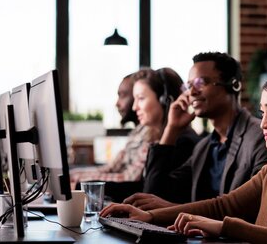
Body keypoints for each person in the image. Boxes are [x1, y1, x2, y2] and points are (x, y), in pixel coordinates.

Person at [101, 70, 267, 244]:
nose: (263, 122)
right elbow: (223, 205)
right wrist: (150, 216)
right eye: (262, 112)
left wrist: (224, 227)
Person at [123, 52, 267, 209]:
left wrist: (177, 211)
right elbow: (153, 194)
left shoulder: (261, 138)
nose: (192, 93)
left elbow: (251, 208)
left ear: (233, 85)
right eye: (190, 85)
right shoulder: (203, 148)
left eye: (200, 83)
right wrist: (171, 130)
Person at [70, 68, 198, 201]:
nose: (134, 107)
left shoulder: (184, 143)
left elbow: (150, 194)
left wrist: (82, 185)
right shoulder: (153, 135)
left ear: (164, 101)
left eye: (141, 98)